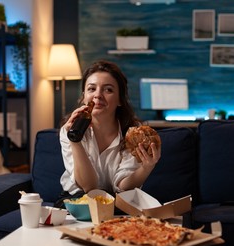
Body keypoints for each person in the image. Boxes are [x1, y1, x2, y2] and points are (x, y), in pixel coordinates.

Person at [55, 60, 161, 208]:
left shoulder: (133, 133)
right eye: (92, 89)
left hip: (117, 200)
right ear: (84, 96)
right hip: (78, 200)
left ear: (119, 100)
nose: (98, 95)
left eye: (108, 90)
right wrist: (75, 140)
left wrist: (146, 168)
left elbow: (123, 186)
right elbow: (88, 187)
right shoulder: (69, 131)